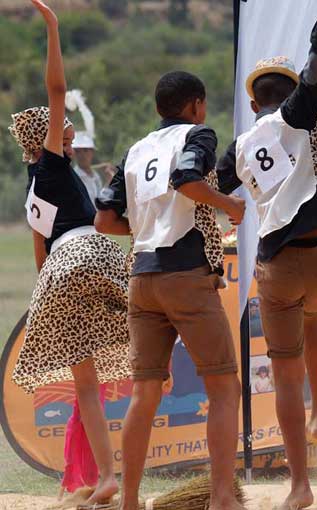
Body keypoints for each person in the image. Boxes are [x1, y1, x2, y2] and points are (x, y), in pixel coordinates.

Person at [94, 70, 246, 510]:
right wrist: (230, 205)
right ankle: (221, 496)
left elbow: (104, 219)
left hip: (141, 277)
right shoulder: (199, 135)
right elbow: (186, 180)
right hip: (185, 274)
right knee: (223, 387)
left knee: (144, 395)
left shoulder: (136, 149)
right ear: (196, 104)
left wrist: (145, 226)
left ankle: (130, 501)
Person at [216, 2, 317, 508]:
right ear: (291, 95)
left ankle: (300, 485)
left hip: (278, 266)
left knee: (285, 376)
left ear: (253, 105)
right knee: (315, 315)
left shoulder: (242, 145)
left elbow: (212, 190)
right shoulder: (301, 118)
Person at [8, 1, 129, 505]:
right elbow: (58, 89)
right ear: (49, 138)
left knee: (85, 387)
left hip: (57, 271)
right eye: (58, 127)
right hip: (94, 252)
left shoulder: (34, 188)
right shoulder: (58, 162)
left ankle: (105, 477)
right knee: (156, 324)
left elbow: (41, 264)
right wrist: (53, 28)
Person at [72, 131, 104, 205]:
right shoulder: (73, 178)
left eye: (85, 150)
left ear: (92, 152)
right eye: (77, 151)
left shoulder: (96, 176)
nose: (82, 155)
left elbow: (100, 201)